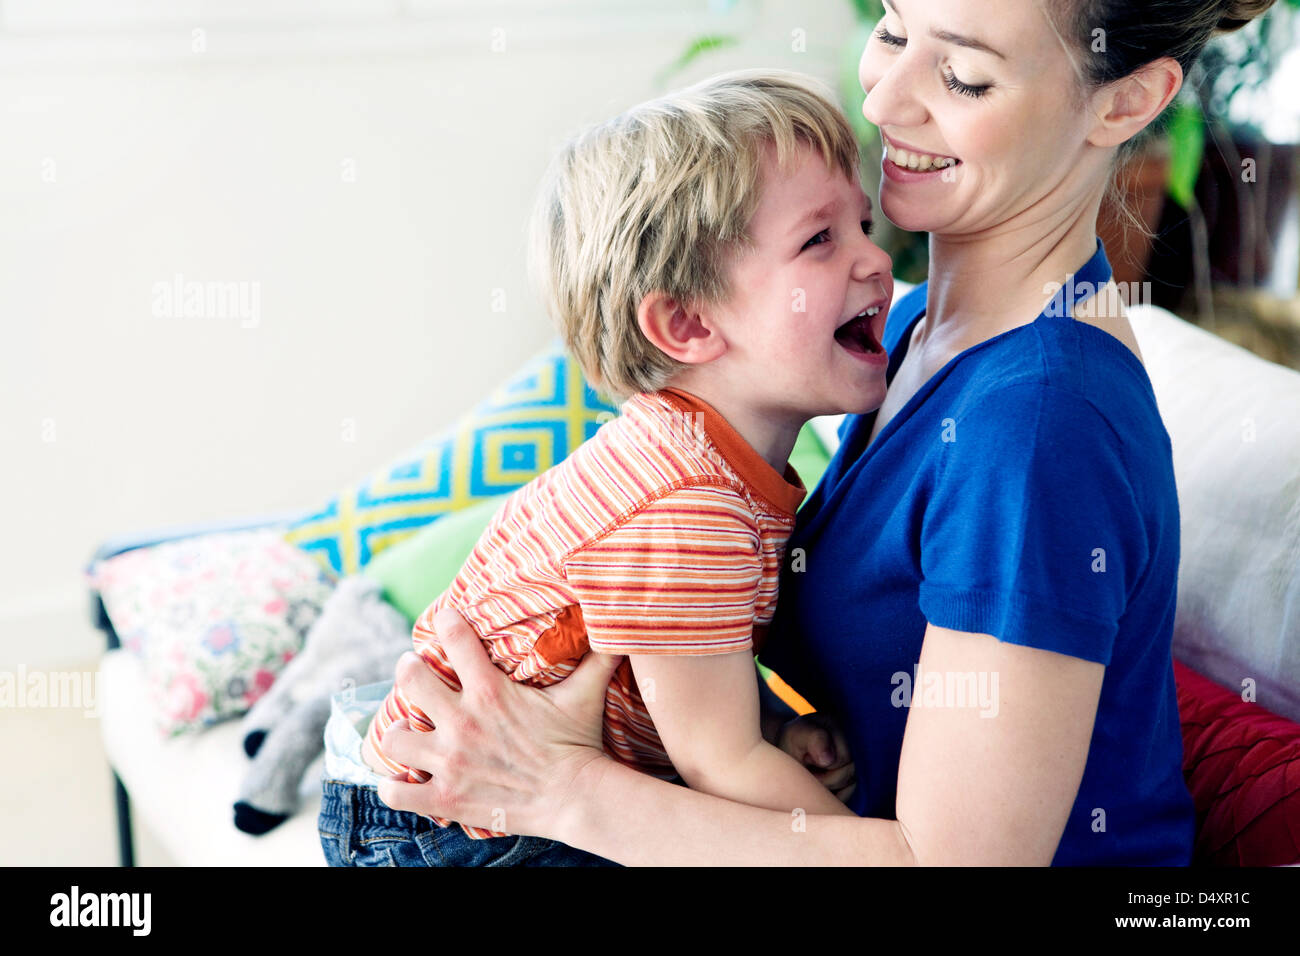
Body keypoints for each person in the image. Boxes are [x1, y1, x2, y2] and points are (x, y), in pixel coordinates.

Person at [374, 0, 1281, 866]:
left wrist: (555, 788)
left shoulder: (1036, 423)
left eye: (963, 75)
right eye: (892, 29)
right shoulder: (902, 332)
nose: (883, 100)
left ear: (1127, 102)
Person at [317, 69, 897, 866]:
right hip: (446, 826)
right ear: (687, 323)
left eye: (863, 224)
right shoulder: (686, 502)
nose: (876, 261)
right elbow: (717, 767)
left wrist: (773, 728)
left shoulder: (718, 467)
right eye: (820, 239)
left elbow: (684, 679)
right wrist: (888, 847)